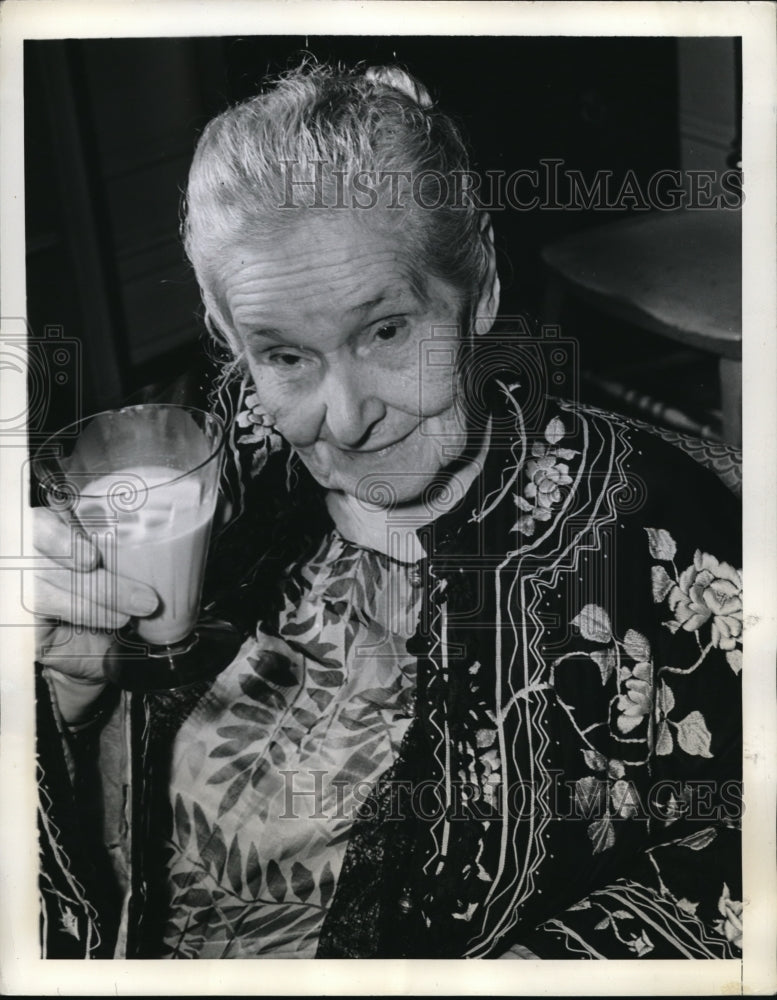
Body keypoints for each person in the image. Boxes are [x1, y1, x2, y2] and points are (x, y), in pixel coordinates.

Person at [33, 61, 742, 960]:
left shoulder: (649, 532)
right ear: (226, 335)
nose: (347, 416)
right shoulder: (204, 481)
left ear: (477, 284)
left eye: (386, 332)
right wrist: (70, 705)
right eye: (285, 356)